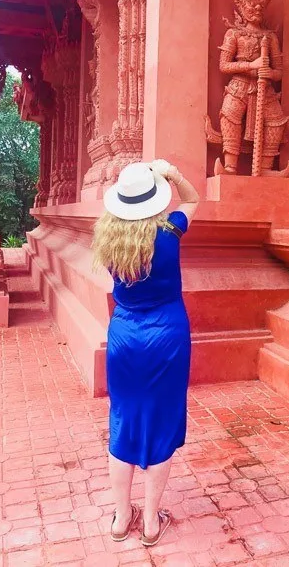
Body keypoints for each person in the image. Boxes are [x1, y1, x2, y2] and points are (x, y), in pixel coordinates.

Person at [92, 159, 200, 546]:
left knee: (123, 419)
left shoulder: (108, 241)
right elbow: (192, 200)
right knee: (163, 422)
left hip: (124, 337)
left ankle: (122, 518)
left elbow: (116, 217)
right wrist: (172, 175)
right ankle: (151, 522)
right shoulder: (170, 233)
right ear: (155, 200)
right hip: (167, 338)